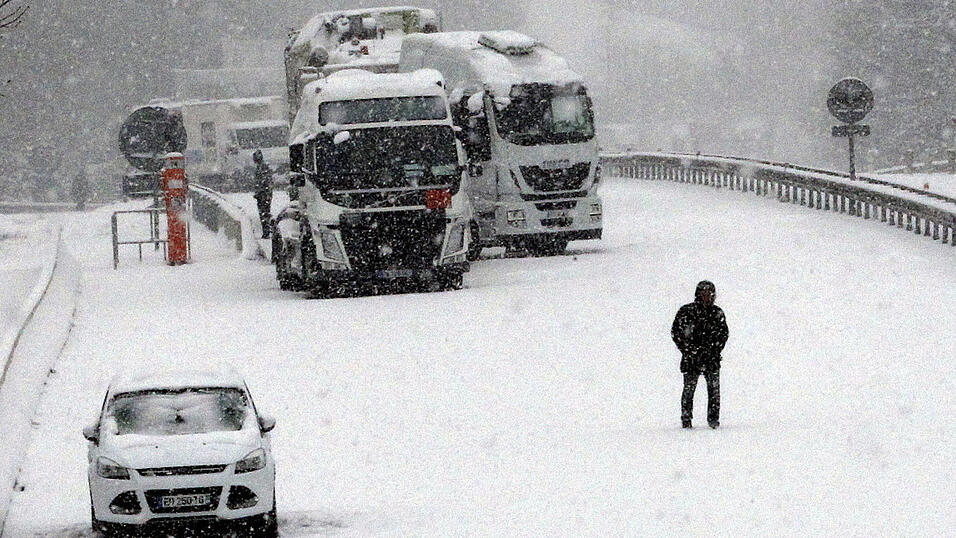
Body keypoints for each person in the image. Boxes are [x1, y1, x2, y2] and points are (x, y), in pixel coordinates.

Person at [671, 280, 729, 429]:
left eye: (709, 294)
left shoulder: (717, 313)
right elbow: (676, 332)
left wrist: (714, 350)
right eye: (703, 294)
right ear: (698, 294)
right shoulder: (686, 311)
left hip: (711, 359)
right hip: (691, 359)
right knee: (689, 390)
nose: (706, 297)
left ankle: (713, 420)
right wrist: (688, 350)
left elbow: (723, 334)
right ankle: (686, 419)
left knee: (714, 391)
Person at [252, 149, 273, 239]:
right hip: (263, 194)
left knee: (264, 213)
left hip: (263, 195)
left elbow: (264, 182)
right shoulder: (261, 167)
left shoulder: (262, 167)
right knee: (264, 213)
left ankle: (267, 231)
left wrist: (261, 192)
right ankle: (266, 231)